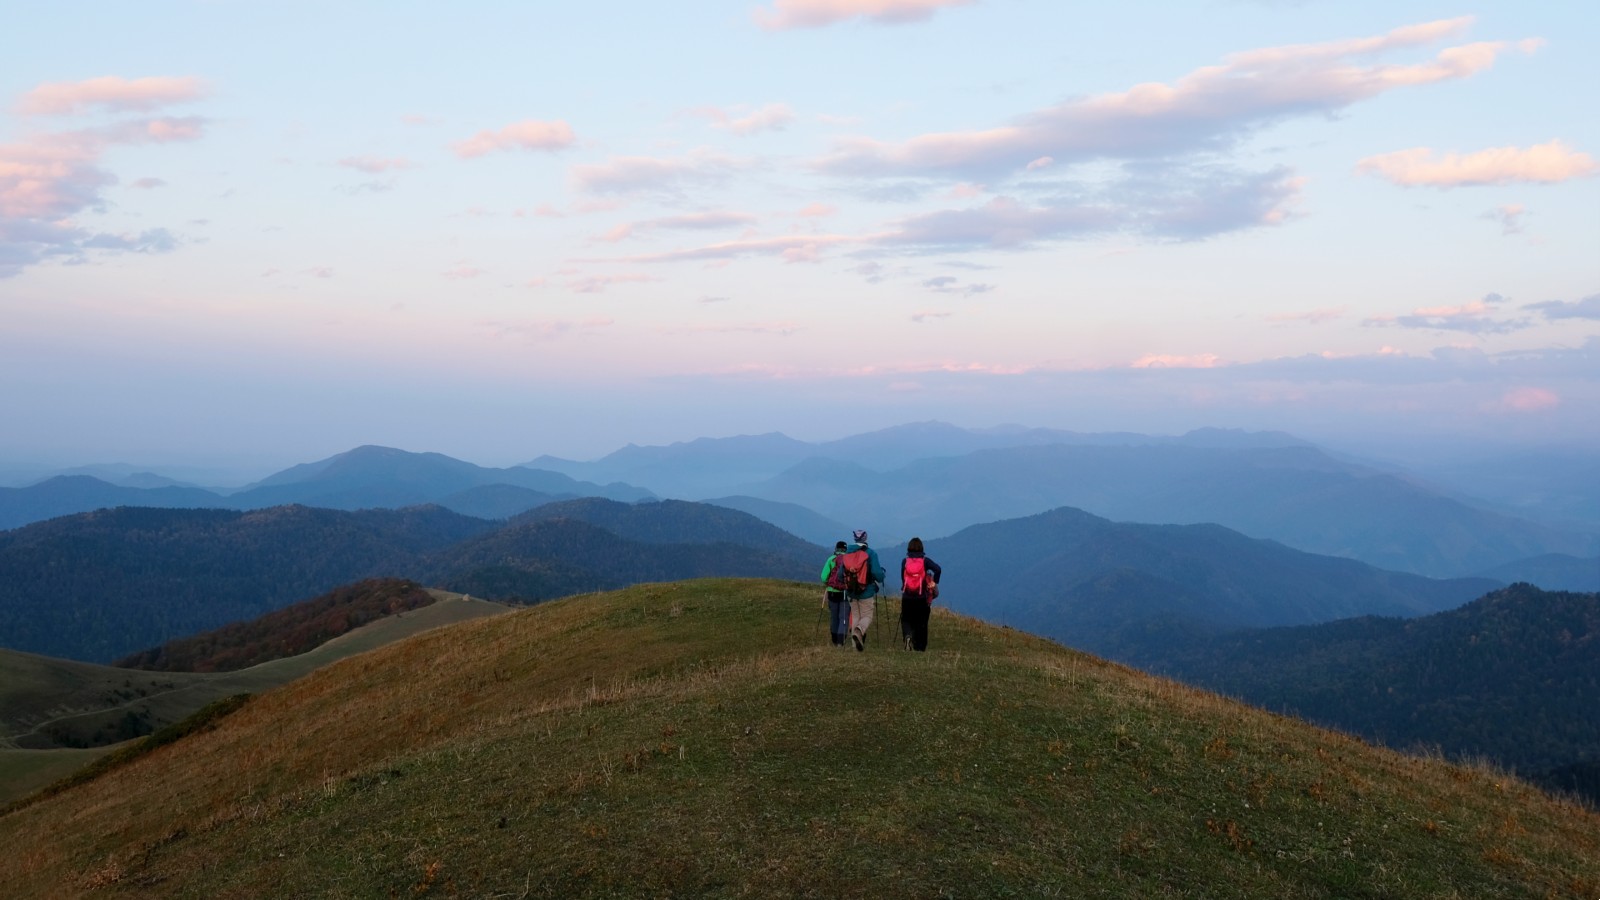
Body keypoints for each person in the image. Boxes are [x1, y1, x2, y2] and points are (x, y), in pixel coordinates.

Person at [844, 529, 886, 652]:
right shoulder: (871, 554)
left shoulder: (847, 553)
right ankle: (859, 630)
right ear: (865, 539)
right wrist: (882, 576)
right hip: (866, 591)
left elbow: (841, 574)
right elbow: (877, 573)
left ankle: (855, 648)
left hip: (851, 591)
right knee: (867, 616)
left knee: (856, 615)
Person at [899, 537, 942, 652]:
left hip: (907, 597)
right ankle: (920, 647)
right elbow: (938, 569)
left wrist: (905, 587)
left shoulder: (905, 561)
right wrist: (934, 582)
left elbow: (903, 578)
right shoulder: (925, 561)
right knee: (922, 622)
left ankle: (908, 636)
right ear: (921, 548)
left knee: (906, 619)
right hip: (921, 597)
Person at [819, 540, 850, 646]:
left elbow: (823, 577)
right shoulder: (849, 560)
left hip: (832, 592)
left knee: (834, 616)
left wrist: (828, 584)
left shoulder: (831, 559)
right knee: (844, 617)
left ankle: (834, 638)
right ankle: (841, 641)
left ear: (836, 549)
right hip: (845, 592)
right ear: (846, 549)